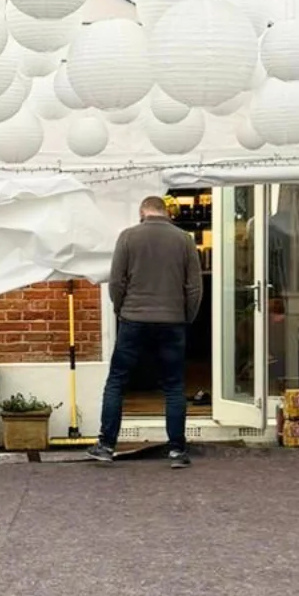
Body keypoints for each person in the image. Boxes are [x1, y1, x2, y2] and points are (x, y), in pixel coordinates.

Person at [89, 195, 202, 468]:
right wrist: (186, 317)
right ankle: (176, 451)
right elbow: (194, 287)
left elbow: (116, 282)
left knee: (117, 381)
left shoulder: (128, 237)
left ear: (143, 212)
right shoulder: (184, 240)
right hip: (172, 320)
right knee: (173, 385)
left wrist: (121, 310)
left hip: (134, 318)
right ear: (167, 212)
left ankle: (106, 445)